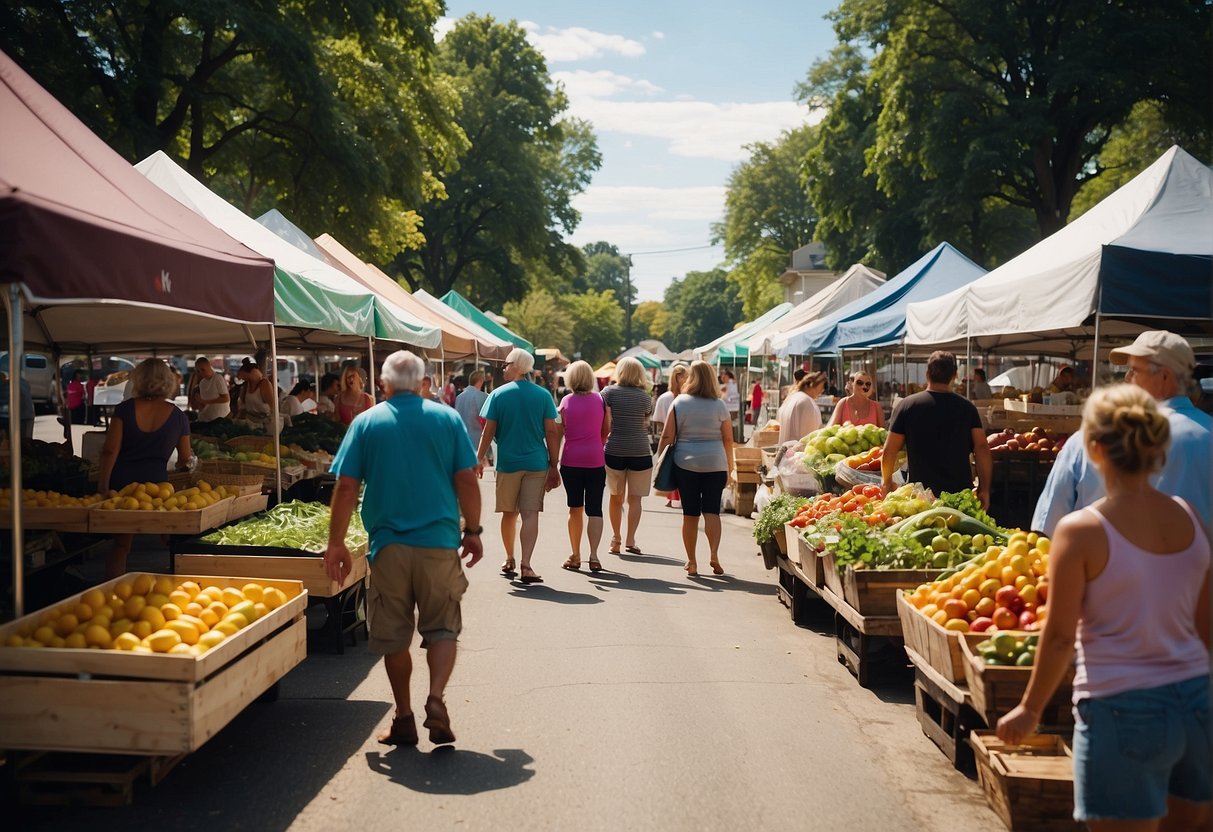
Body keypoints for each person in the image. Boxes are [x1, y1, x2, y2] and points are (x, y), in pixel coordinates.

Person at [997, 385, 1210, 831]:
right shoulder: (1190, 516)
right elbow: (1205, 626)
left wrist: (1030, 710)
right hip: (1197, 703)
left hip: (1122, 707)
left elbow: (1058, 637)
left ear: (1094, 448)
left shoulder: (1080, 531)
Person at [323, 350, 482, 748]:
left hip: (388, 546)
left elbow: (345, 487)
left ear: (383, 383)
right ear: (423, 381)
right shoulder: (446, 418)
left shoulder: (366, 422)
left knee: (394, 636)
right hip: (440, 544)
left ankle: (405, 717)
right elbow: (467, 479)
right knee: (443, 627)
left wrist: (336, 543)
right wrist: (474, 530)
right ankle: (436, 698)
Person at [1032, 330, 1212, 534]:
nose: (1126, 378)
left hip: (1097, 563)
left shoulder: (1094, 437)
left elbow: (1045, 532)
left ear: (1164, 377)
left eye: (1134, 370)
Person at [97, 359, 193, 578]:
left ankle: (112, 589)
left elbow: (109, 451)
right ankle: (175, 587)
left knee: (121, 545)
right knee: (169, 539)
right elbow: (185, 460)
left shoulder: (124, 410)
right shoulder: (179, 417)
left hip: (123, 487)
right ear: (168, 382)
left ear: (138, 380)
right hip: (158, 488)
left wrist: (102, 486)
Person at [476, 348, 560, 584]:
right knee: (531, 513)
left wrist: (479, 459)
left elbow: (487, 431)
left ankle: (509, 557)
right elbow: (551, 432)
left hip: (508, 462)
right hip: (536, 463)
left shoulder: (498, 395)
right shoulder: (543, 396)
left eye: (506, 364)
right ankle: (526, 564)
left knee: (509, 513)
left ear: (517, 366)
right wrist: (554, 465)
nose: (503, 367)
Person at [882, 351, 991, 505]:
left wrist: (886, 482)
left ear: (927, 374)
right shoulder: (967, 408)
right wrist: (984, 489)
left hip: (921, 499)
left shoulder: (906, 406)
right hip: (959, 498)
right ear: (954, 375)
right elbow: (982, 448)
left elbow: (889, 450)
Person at [656, 361, 734, 576]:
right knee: (711, 512)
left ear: (691, 377)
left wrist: (659, 459)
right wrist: (730, 466)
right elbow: (728, 439)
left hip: (686, 462)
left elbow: (667, 435)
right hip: (716, 463)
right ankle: (714, 555)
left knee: (690, 514)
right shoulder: (719, 405)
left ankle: (692, 562)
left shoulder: (679, 402)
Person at [555, 360, 608, 573]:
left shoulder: (565, 401)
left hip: (571, 460)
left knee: (575, 508)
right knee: (595, 508)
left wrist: (552, 462)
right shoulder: (600, 400)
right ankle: (594, 556)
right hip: (595, 459)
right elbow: (606, 429)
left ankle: (575, 555)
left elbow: (558, 433)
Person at [602, 357, 654, 556]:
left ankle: (616, 538)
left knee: (616, 496)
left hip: (615, 448)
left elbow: (603, 419)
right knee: (635, 499)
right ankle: (631, 539)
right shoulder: (645, 397)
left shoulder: (608, 393)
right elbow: (646, 419)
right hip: (640, 450)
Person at [653, 364, 689, 508]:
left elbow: (659, 422)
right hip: (681, 439)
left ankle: (673, 496)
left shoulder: (666, 398)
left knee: (670, 468)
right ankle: (674, 496)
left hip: (671, 438)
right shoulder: (683, 399)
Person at [777, 371, 827, 445]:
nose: (822, 390)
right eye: (822, 386)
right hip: (798, 454)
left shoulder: (791, 397)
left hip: (785, 452)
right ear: (811, 384)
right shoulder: (805, 401)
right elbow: (810, 437)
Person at [455, 370, 489, 464]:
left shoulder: (459, 397)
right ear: (481, 381)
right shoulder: (483, 396)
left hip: (462, 439)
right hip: (478, 441)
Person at [190, 357, 231, 422]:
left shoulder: (218, 378)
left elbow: (226, 399)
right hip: (205, 418)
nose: (201, 373)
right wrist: (199, 403)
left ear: (209, 366)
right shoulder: (202, 383)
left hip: (219, 419)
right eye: (198, 371)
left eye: (203, 370)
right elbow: (204, 404)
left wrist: (205, 401)